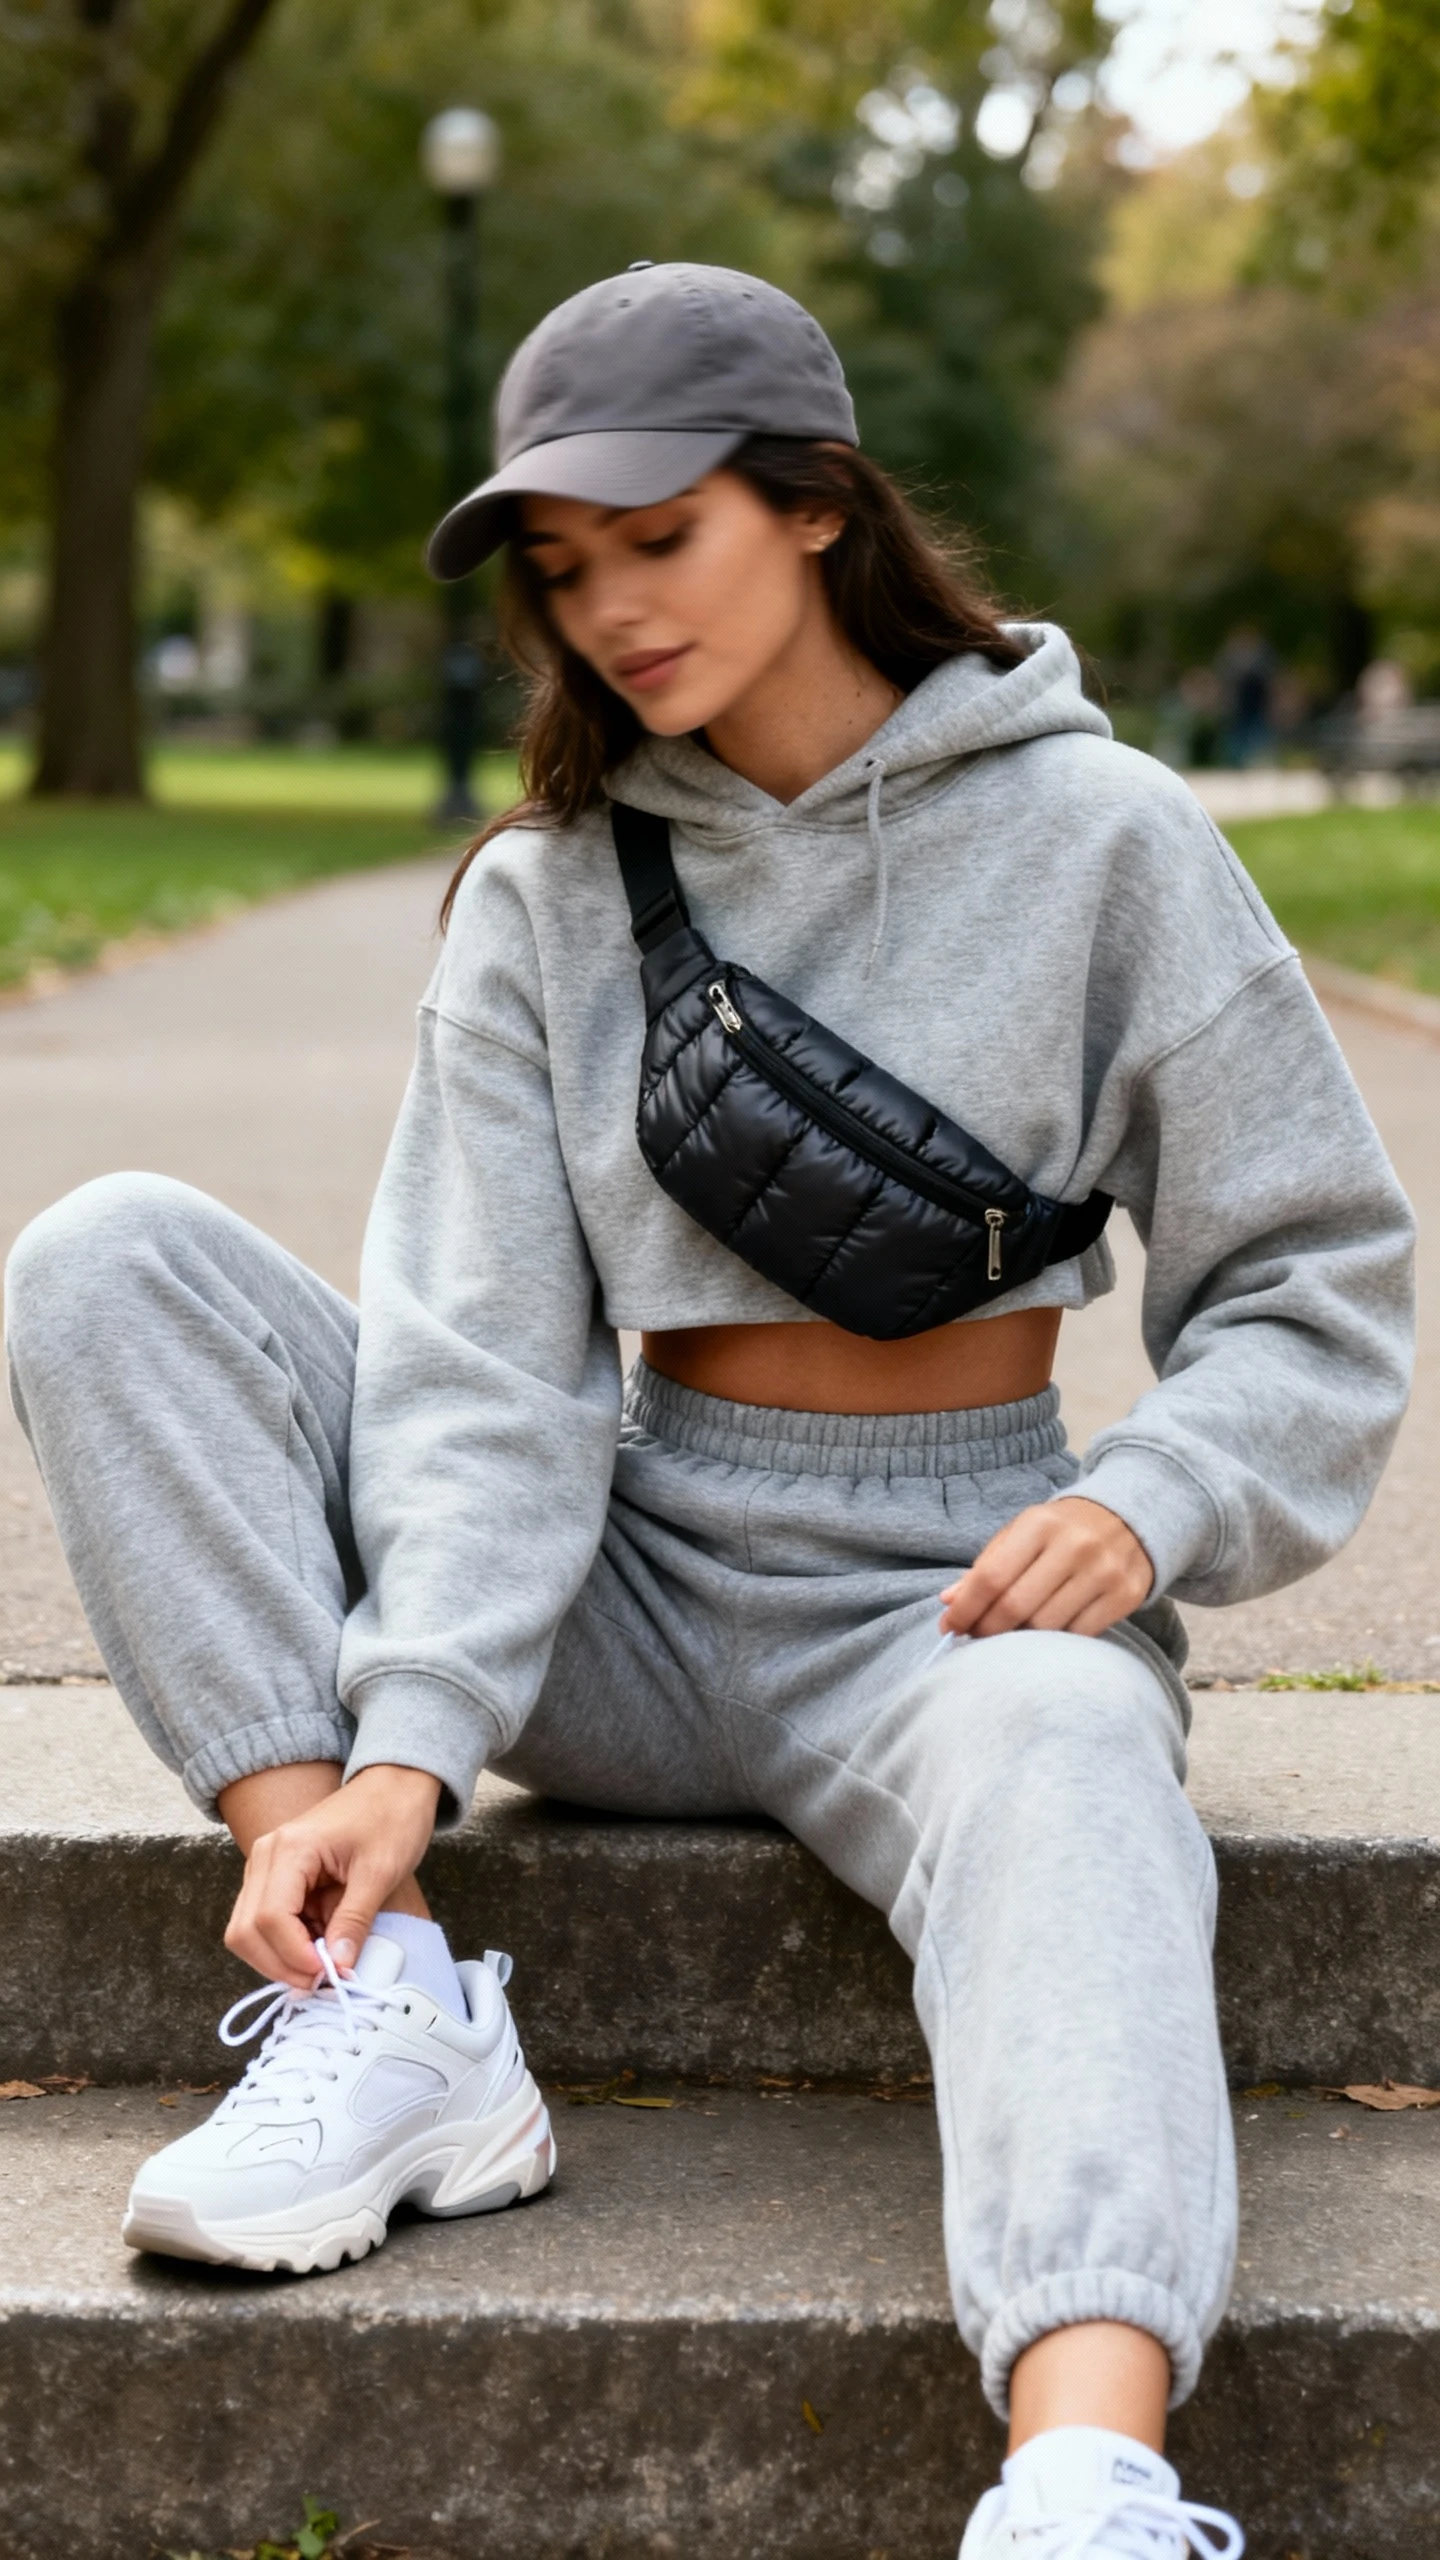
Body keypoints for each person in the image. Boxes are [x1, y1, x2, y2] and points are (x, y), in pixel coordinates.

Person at [4, 265, 1414, 2558]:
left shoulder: (1106, 840)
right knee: (109, 1256)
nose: (611, 610)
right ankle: (392, 2005)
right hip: (626, 1582)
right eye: (566, 571)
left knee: (1069, 1752)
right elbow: (475, 1364)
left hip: (953, 1598)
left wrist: (1151, 1499)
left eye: (657, 535)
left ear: (819, 502)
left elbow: (1316, 1274)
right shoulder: (555, 895)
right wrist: (403, 1745)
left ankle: (1086, 2476)